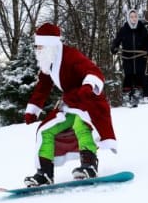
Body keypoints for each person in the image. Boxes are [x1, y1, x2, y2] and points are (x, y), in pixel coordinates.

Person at [23, 23, 117, 187]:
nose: (37, 49)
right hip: (70, 103)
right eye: (36, 45)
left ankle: (89, 165)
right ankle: (45, 172)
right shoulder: (49, 61)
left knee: (81, 123)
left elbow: (94, 72)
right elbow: (43, 86)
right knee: (46, 130)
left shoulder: (70, 56)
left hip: (88, 101)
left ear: (49, 44)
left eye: (40, 45)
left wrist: (88, 86)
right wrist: (33, 109)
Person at [111, 9, 148, 107]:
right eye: (131, 17)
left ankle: (138, 96)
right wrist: (114, 47)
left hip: (140, 57)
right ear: (128, 18)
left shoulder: (142, 28)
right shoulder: (124, 29)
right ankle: (126, 98)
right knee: (128, 76)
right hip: (128, 57)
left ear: (137, 17)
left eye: (135, 16)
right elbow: (117, 40)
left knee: (140, 75)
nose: (133, 18)